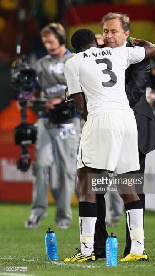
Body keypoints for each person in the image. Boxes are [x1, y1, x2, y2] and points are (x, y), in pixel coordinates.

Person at [64, 28, 155, 263]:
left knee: (87, 186)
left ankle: (87, 251)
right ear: (94, 42)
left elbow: (78, 103)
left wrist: (91, 119)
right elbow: (153, 50)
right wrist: (132, 39)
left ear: (75, 46)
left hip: (100, 118)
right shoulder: (118, 52)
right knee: (128, 187)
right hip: (127, 121)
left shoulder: (73, 62)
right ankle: (137, 249)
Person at [94, 12, 155, 259]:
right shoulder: (96, 56)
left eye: (114, 31)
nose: (109, 36)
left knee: (133, 189)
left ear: (126, 34)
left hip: (134, 126)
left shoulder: (138, 57)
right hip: (103, 128)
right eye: (105, 31)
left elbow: (133, 93)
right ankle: (96, 247)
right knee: (95, 187)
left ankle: (134, 247)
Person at [25, 22, 81, 229]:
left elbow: (82, 89)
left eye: (50, 40)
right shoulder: (41, 64)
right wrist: (31, 99)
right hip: (45, 120)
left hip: (69, 120)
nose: (47, 45)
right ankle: (37, 212)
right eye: (44, 42)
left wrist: (60, 100)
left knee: (67, 169)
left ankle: (63, 217)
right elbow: (34, 91)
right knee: (41, 165)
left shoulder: (74, 60)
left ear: (60, 37)